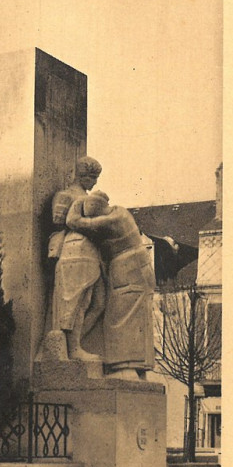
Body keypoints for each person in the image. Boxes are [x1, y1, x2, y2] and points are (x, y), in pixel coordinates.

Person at [66, 191, 155, 378]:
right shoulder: (120, 213)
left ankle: (125, 368)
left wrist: (76, 204)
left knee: (120, 315)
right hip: (136, 266)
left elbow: (74, 222)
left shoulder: (116, 217)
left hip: (128, 266)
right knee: (135, 315)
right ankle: (139, 370)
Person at [49, 156, 105, 361]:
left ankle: (75, 345)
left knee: (97, 302)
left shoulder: (90, 196)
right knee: (75, 302)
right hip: (74, 250)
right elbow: (57, 221)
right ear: (82, 175)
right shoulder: (65, 195)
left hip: (90, 251)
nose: (95, 181)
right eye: (92, 177)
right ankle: (72, 349)